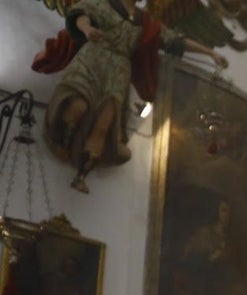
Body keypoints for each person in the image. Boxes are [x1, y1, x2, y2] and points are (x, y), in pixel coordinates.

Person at [32, 0, 229, 193]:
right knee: (76, 106)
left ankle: (82, 175)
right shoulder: (105, 3)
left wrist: (211, 53)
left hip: (118, 73)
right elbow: (82, 14)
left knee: (103, 125)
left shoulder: (145, 22)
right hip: (93, 59)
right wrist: (87, 30)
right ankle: (63, 141)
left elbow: (176, 40)